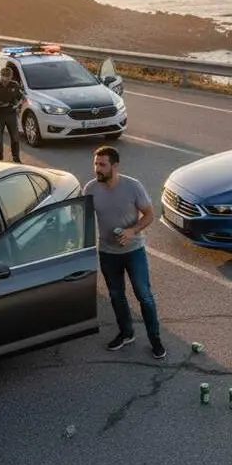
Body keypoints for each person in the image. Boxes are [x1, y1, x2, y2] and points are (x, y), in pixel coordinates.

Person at [84, 146, 166, 358]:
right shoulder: (91, 189)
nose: (97, 169)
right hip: (108, 252)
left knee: (144, 296)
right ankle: (126, 333)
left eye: (102, 165)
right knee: (116, 295)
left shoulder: (132, 186)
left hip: (133, 250)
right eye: (95, 164)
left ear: (114, 166)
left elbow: (149, 214)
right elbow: (82, 218)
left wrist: (132, 231)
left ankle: (155, 339)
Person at [0, 62, 24, 162]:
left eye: (8, 77)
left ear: (11, 77)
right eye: (3, 77)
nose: (5, 79)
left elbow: (20, 98)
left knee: (15, 137)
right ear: (0, 76)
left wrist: (17, 105)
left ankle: (16, 157)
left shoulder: (14, 85)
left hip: (11, 114)